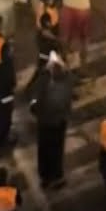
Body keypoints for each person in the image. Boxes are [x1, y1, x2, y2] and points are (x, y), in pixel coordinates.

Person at [32, 52, 73, 188]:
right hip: (59, 121)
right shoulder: (66, 82)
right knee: (56, 149)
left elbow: (37, 100)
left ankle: (46, 176)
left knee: (44, 149)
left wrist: (36, 111)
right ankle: (56, 175)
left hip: (45, 121)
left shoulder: (45, 83)